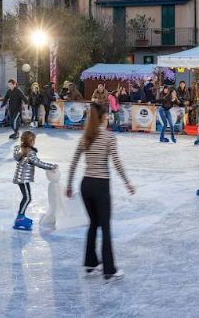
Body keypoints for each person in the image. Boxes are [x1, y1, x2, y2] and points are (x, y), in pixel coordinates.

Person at [66, 102, 135, 282]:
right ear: (104, 117)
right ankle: (109, 270)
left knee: (93, 223)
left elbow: (74, 162)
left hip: (86, 185)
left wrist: (69, 185)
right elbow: (116, 162)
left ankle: (90, 262)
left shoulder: (86, 137)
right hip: (100, 185)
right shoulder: (108, 137)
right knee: (104, 226)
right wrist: (127, 182)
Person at [12, 131, 58, 231]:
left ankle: (21, 216)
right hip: (23, 178)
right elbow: (39, 163)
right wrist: (52, 166)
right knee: (27, 198)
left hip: (20, 177)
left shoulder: (19, 149)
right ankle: (20, 218)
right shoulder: (30, 153)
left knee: (26, 197)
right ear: (31, 141)